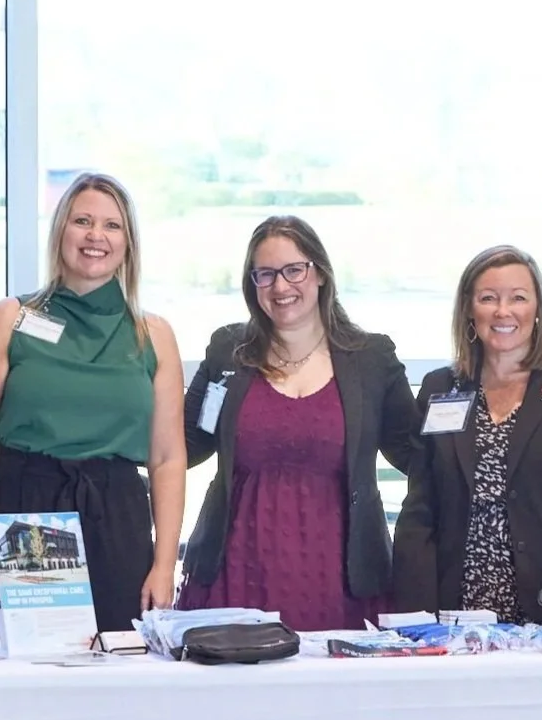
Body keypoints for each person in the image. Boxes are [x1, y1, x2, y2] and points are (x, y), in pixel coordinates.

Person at [0, 172, 186, 633]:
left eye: (112, 225)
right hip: (26, 511)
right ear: (60, 229)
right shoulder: (12, 319)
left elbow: (166, 458)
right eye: (82, 220)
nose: (96, 236)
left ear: (129, 243)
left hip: (117, 517)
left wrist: (164, 564)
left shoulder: (153, 334)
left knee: (118, 675)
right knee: (27, 674)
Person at [177, 216, 414, 629]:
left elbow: (416, 455)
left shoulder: (372, 358)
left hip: (341, 578)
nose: (281, 287)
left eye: (294, 270)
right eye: (265, 275)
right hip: (235, 571)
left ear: (319, 273)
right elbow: (183, 446)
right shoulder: (227, 350)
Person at [393, 245, 542, 623]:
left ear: (538, 309)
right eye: (488, 298)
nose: (503, 312)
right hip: (455, 608)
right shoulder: (442, 388)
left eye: (518, 298)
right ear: (470, 310)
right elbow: (421, 505)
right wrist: (412, 609)